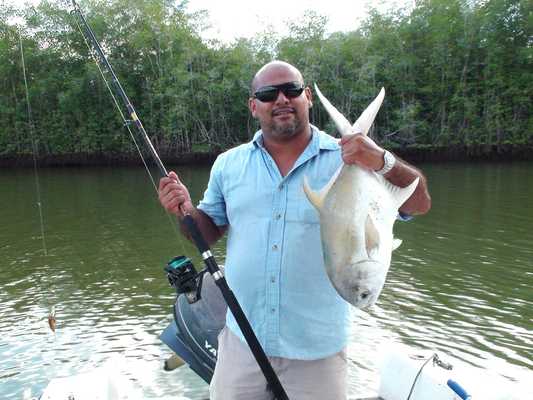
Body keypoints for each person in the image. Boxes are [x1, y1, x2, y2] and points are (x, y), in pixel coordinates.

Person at [158, 60, 431, 400]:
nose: (282, 99)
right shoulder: (229, 165)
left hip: (317, 351)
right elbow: (207, 231)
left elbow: (418, 203)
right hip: (243, 340)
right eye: (268, 93)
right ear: (253, 106)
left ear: (308, 98)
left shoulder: (348, 158)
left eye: (292, 90)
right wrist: (184, 210)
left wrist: (381, 159)